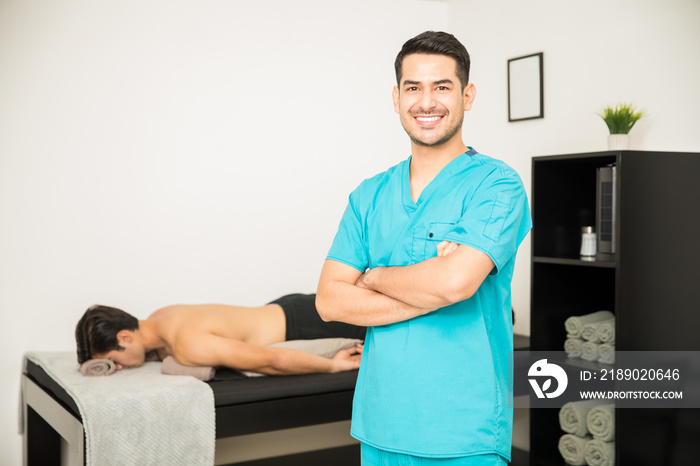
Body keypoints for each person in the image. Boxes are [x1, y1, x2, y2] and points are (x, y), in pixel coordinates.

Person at [316, 31, 532, 465]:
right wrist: (432, 283)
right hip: (380, 424)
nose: (426, 101)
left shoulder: (497, 185)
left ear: (467, 95)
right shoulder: (369, 195)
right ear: (396, 97)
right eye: (413, 87)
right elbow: (328, 301)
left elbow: (454, 283)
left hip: (462, 432)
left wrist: (373, 277)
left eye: (442, 87)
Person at [75, 293, 365, 375]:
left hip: (306, 325)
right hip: (286, 306)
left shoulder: (187, 345)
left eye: (116, 360)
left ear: (125, 337)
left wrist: (332, 364)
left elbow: (271, 360)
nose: (120, 366)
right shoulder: (161, 315)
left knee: (400, 325)